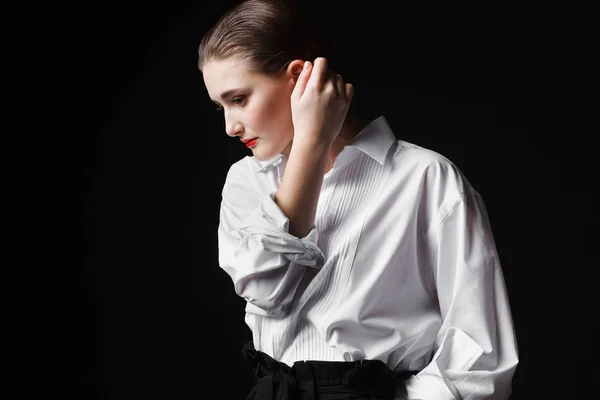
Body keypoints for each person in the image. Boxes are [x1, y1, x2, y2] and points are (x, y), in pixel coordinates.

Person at [197, 0, 519, 398]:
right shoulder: (247, 181)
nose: (230, 126)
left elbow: (481, 358)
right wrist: (311, 146)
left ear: (300, 77)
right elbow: (266, 292)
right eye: (220, 107)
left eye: (239, 98)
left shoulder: (426, 178)